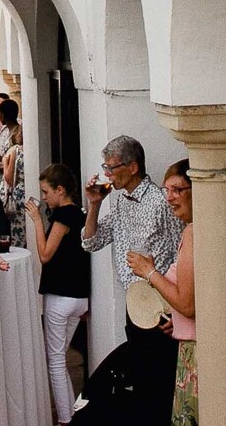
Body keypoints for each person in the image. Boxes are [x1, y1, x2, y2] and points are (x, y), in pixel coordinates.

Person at [81, 135, 181, 415]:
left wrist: (177, 311)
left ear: (133, 167)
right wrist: (95, 204)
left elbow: (180, 252)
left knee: (160, 385)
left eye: (112, 167)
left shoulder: (161, 202)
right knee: (141, 383)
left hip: (163, 306)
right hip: (135, 305)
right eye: (106, 167)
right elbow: (90, 242)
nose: (108, 174)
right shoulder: (121, 200)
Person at [129, 160, 196, 426]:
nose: (169, 197)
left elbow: (189, 305)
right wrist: (176, 319)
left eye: (178, 189)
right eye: (166, 189)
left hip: (196, 354)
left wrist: (149, 273)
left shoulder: (193, 232)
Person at [24, 164, 90, 424]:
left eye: (46, 192)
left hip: (61, 296)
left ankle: (65, 418)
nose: (43, 198)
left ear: (60, 190)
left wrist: (38, 221)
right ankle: (70, 413)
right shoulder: (79, 214)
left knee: (56, 361)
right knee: (60, 357)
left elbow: (45, 254)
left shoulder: (64, 216)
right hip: (78, 296)